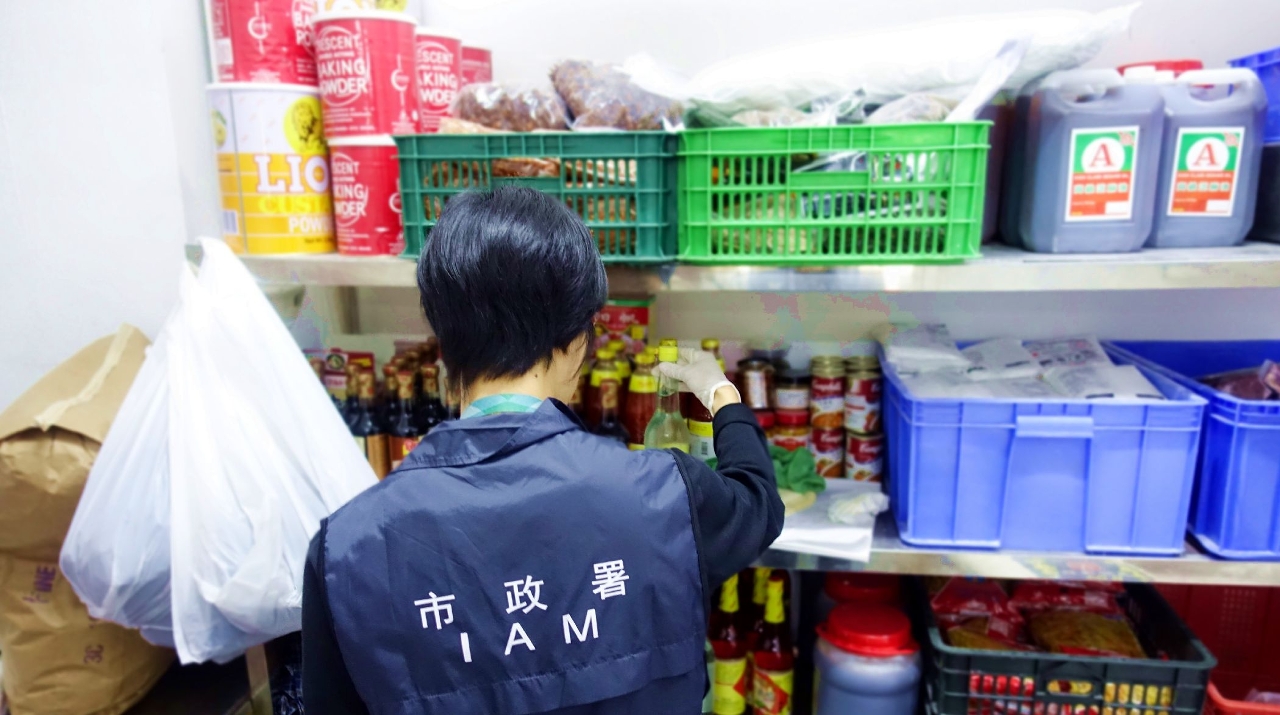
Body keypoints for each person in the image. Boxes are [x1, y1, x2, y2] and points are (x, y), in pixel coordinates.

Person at [302, 187, 783, 714]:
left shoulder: (346, 550)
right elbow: (758, 502)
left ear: (444, 337)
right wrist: (721, 394)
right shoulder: (667, 494)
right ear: (576, 340)